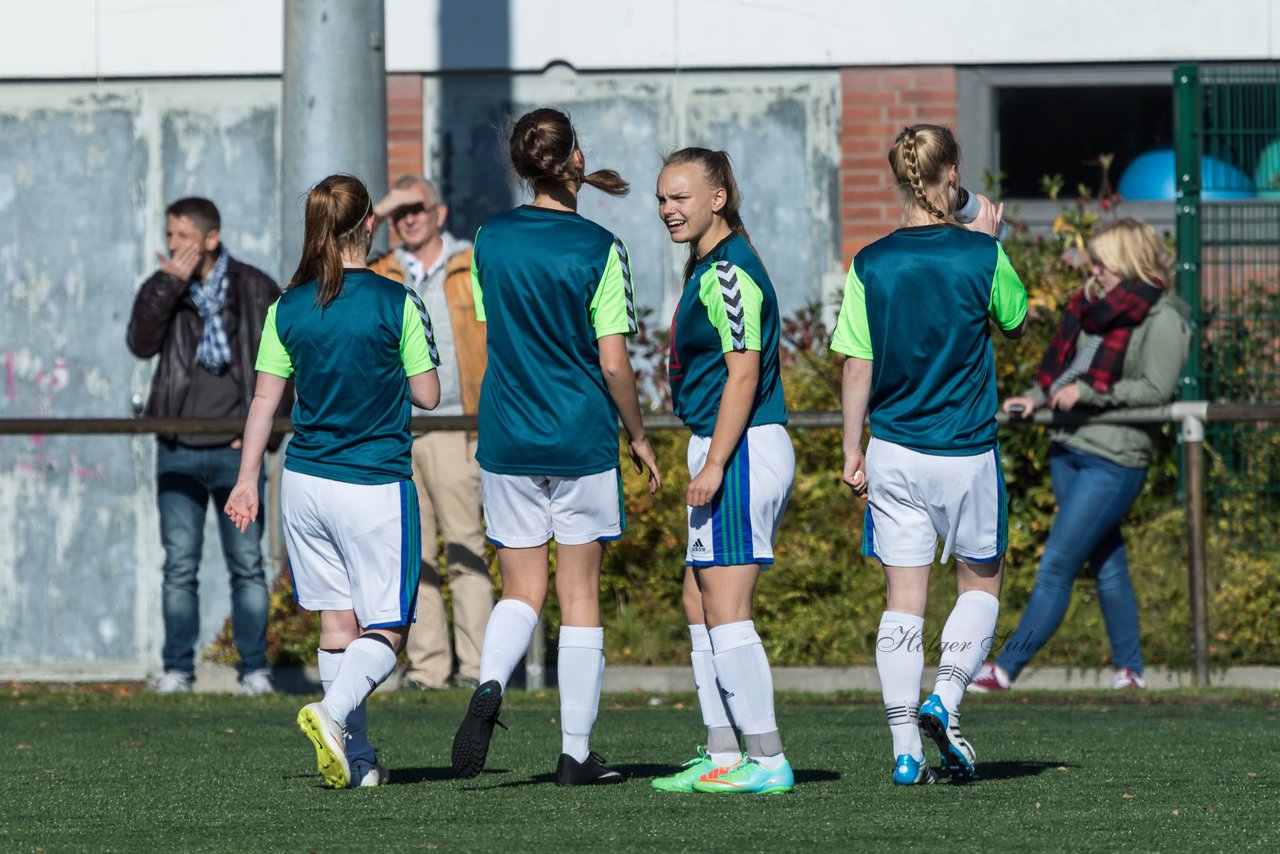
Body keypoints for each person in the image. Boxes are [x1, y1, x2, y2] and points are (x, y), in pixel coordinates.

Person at [449, 107, 660, 787]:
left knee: (521, 588)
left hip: (508, 432)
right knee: (580, 594)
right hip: (579, 435)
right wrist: (638, 436)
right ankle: (574, 753)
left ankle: (489, 682)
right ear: (574, 160)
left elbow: (489, 340)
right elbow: (615, 365)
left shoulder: (487, 240)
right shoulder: (601, 247)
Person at [224, 173, 441, 789]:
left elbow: (263, 403)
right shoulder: (397, 298)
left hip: (303, 481)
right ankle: (333, 711)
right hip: (372, 482)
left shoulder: (287, 306)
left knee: (336, 624)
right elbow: (427, 394)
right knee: (389, 628)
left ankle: (361, 757)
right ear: (370, 224)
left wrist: (246, 484)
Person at [832, 124, 1027, 785]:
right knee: (981, 582)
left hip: (893, 451)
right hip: (966, 449)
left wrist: (850, 447)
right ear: (954, 175)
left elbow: (857, 365)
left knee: (902, 600)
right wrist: (991, 241)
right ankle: (944, 698)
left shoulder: (870, 261)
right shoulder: (979, 254)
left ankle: (903, 752)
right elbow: (1018, 316)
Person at [970, 217, 1191, 693]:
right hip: (1068, 449)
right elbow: (1066, 374)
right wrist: (1035, 396)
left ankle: (1005, 669)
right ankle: (1129, 671)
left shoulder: (1163, 316)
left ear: (1128, 260)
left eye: (1100, 261)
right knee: (1106, 559)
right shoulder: (1095, 308)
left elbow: (1156, 387)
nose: (1093, 269)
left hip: (1114, 457)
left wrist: (1090, 394)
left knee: (1058, 562)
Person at [649, 148, 796, 796]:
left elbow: (743, 373)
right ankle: (722, 750)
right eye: (661, 198)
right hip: (723, 447)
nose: (668, 209)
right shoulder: (709, 265)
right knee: (697, 597)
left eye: (681, 196)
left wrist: (714, 463)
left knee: (728, 609)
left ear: (719, 197)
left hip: (739, 451)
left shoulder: (731, 271)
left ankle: (766, 760)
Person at [126, 197, 290, 696]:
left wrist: (264, 436)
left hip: (237, 453)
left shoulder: (255, 287)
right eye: (169, 234)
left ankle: (254, 669)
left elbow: (287, 362)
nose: (171, 244)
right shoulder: (166, 290)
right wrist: (168, 285)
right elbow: (140, 342)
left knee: (246, 563)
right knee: (179, 564)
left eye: (179, 235)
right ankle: (178, 667)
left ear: (210, 239)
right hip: (178, 447)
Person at [368, 175, 492, 692]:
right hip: (397, 429)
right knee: (412, 556)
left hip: (457, 426)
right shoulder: (380, 269)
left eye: (418, 207)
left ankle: (481, 667)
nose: (409, 218)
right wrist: (384, 205)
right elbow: (331, 248)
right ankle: (428, 667)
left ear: (440, 212)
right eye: (400, 212)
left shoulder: (471, 264)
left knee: (466, 548)